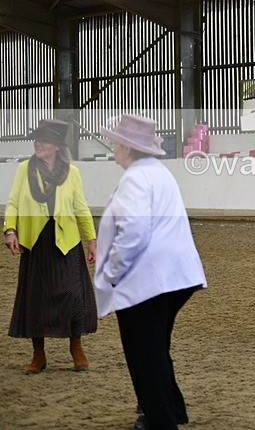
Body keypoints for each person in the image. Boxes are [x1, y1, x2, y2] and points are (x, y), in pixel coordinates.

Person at [95, 114, 207, 430]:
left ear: (128, 149)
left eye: (117, 143)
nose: (114, 148)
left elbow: (133, 231)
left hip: (149, 280)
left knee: (144, 353)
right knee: (156, 347)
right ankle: (172, 408)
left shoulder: (135, 179)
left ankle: (161, 419)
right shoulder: (157, 172)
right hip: (176, 276)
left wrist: (113, 272)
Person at [3, 118, 97, 374]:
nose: (38, 143)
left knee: (73, 295)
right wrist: (10, 229)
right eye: (36, 139)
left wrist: (91, 239)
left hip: (66, 242)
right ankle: (38, 355)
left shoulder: (72, 173)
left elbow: (80, 207)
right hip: (35, 242)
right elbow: (12, 203)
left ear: (55, 145)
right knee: (36, 299)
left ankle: (76, 347)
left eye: (43, 140)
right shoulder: (24, 169)